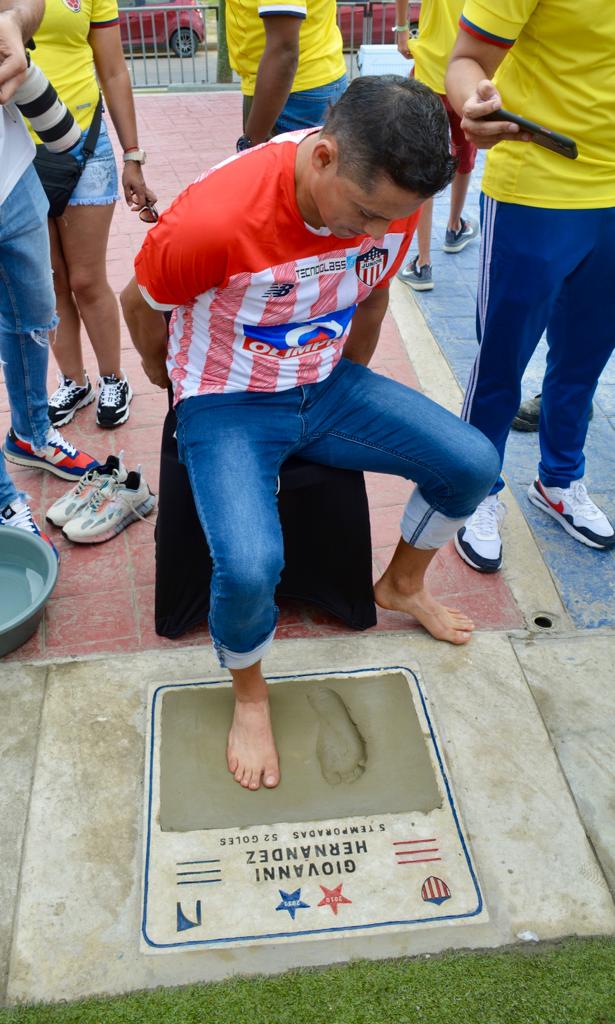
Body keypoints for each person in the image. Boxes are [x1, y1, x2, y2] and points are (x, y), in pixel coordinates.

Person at [121, 76, 500, 792]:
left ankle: (400, 584)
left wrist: (347, 384)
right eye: (363, 213)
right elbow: (138, 306)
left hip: (322, 385)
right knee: (250, 562)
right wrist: (170, 385)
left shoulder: (389, 203)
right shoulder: (215, 219)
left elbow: (376, 292)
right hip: (226, 398)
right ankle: (250, 692)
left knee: (471, 464)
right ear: (322, 157)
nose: (373, 232)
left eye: (390, 220)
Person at [446, 0, 615, 573]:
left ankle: (561, 480)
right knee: (501, 360)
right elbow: (467, 59)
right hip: (537, 185)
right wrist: (475, 102)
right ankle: (475, 488)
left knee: (586, 359)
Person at [28, 0, 156, 430]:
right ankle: (73, 381)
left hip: (84, 145)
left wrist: (133, 156)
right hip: (16, 154)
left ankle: (113, 379)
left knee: (85, 278)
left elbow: (114, 70)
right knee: (50, 280)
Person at [0, 0, 97, 554]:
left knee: (34, 318)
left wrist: (15, 22)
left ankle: (33, 435)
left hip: (13, 175)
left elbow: (28, 3)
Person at [395, 0, 478, 291]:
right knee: (465, 155)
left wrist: (403, 28)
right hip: (472, 74)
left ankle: (424, 262)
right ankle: (454, 227)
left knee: (424, 163)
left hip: (431, 70)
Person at [226, 0, 347, 151]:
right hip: (307, 76)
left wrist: (251, 144)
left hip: (288, 89)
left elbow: (284, 50)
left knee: (282, 170)